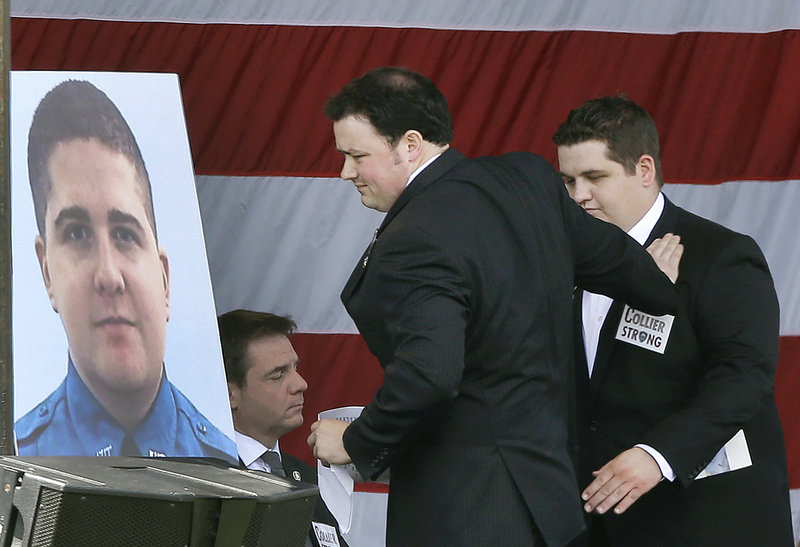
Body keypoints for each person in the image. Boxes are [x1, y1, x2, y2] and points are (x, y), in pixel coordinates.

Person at [306, 66, 683, 546]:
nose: (346, 172)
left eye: (357, 155)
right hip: (553, 506)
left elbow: (430, 373)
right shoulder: (527, 178)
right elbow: (618, 264)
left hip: (466, 513)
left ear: (411, 144)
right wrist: (654, 279)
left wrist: (356, 441)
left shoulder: (415, 234)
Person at [553, 96, 794, 546]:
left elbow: (743, 376)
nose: (578, 195)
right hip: (597, 523)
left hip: (705, 520)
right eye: (568, 180)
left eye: (594, 177)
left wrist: (657, 455)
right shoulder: (561, 262)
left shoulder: (720, 255)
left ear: (644, 170)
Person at [15, 79, 237, 461]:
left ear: (164, 278)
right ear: (47, 272)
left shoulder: (224, 463)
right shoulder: (14, 462)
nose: (109, 277)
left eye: (124, 234)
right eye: (78, 233)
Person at [218, 309, 348, 547]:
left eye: (295, 368)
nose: (301, 384)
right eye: (278, 375)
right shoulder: (202, 478)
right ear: (230, 394)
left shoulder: (308, 479)